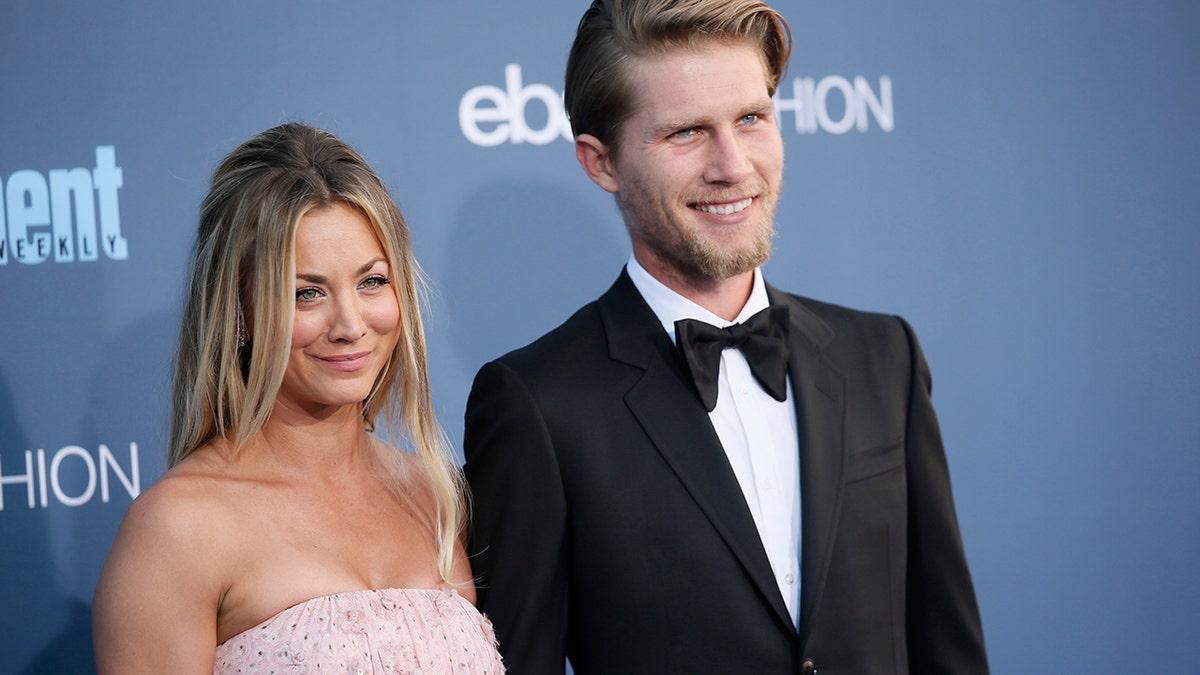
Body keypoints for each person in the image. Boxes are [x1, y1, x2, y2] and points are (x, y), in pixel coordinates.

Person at [463, 1, 989, 673]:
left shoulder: (884, 356)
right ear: (602, 163)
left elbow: (948, 644)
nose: (733, 165)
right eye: (686, 133)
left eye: (752, 119)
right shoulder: (540, 405)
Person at [93, 123, 504, 674]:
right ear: (239, 316)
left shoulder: (440, 494)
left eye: (372, 282)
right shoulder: (180, 527)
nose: (351, 324)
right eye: (305, 293)